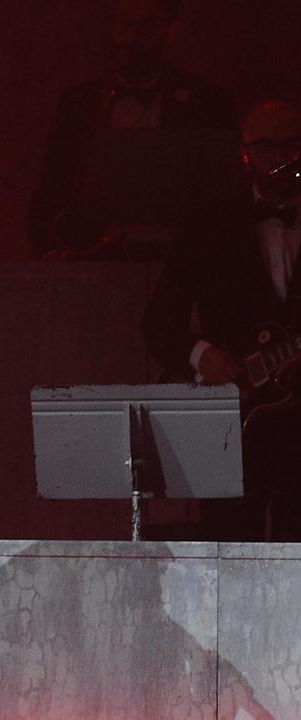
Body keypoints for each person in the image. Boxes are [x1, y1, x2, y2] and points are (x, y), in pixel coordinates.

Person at [142, 100, 301, 540]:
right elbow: (158, 321)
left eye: (292, 145)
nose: (283, 157)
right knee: (230, 547)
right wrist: (202, 355)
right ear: (245, 153)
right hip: (237, 421)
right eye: (269, 147)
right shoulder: (209, 222)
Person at [29, 0, 238, 259]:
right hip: (91, 262)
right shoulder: (79, 103)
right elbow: (51, 190)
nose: (131, 36)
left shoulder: (207, 103)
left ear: (172, 30)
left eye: (147, 25)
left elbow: (225, 199)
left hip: (180, 266)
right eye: (125, 22)